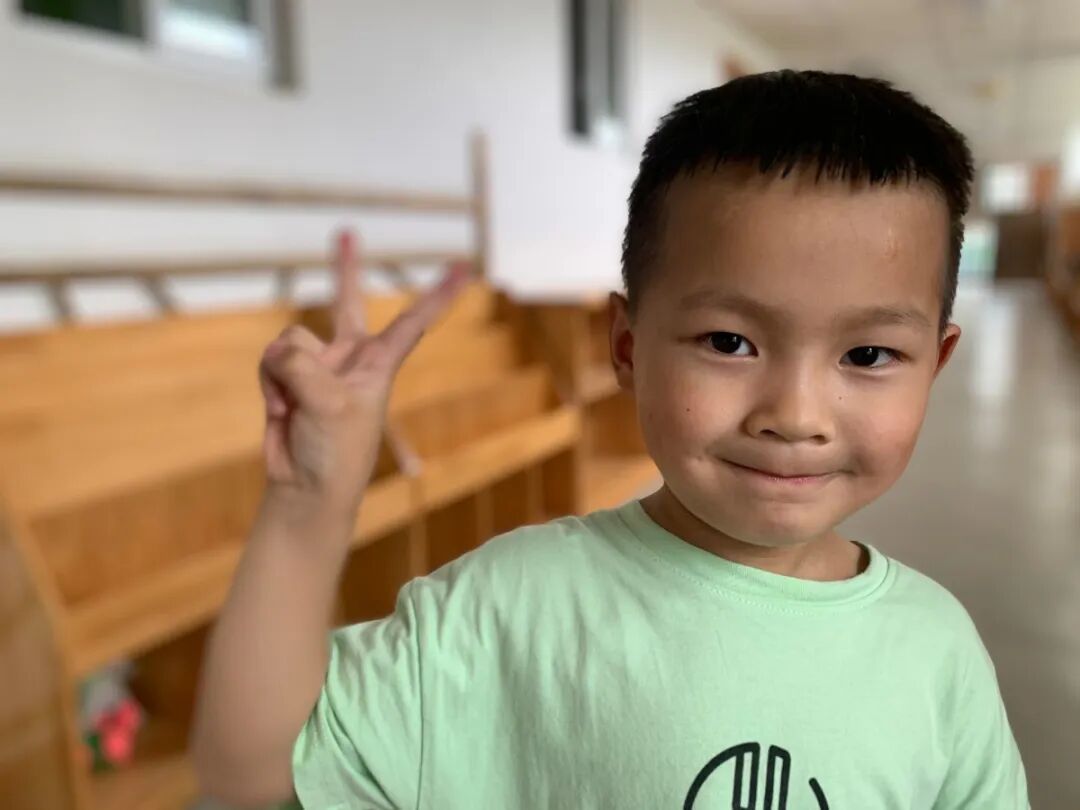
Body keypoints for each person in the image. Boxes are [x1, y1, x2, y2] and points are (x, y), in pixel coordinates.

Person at [191, 70, 1029, 808]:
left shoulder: (938, 653)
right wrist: (308, 505)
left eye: (868, 355)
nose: (795, 413)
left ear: (935, 363)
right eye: (730, 342)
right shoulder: (512, 606)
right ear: (626, 347)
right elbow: (251, 770)